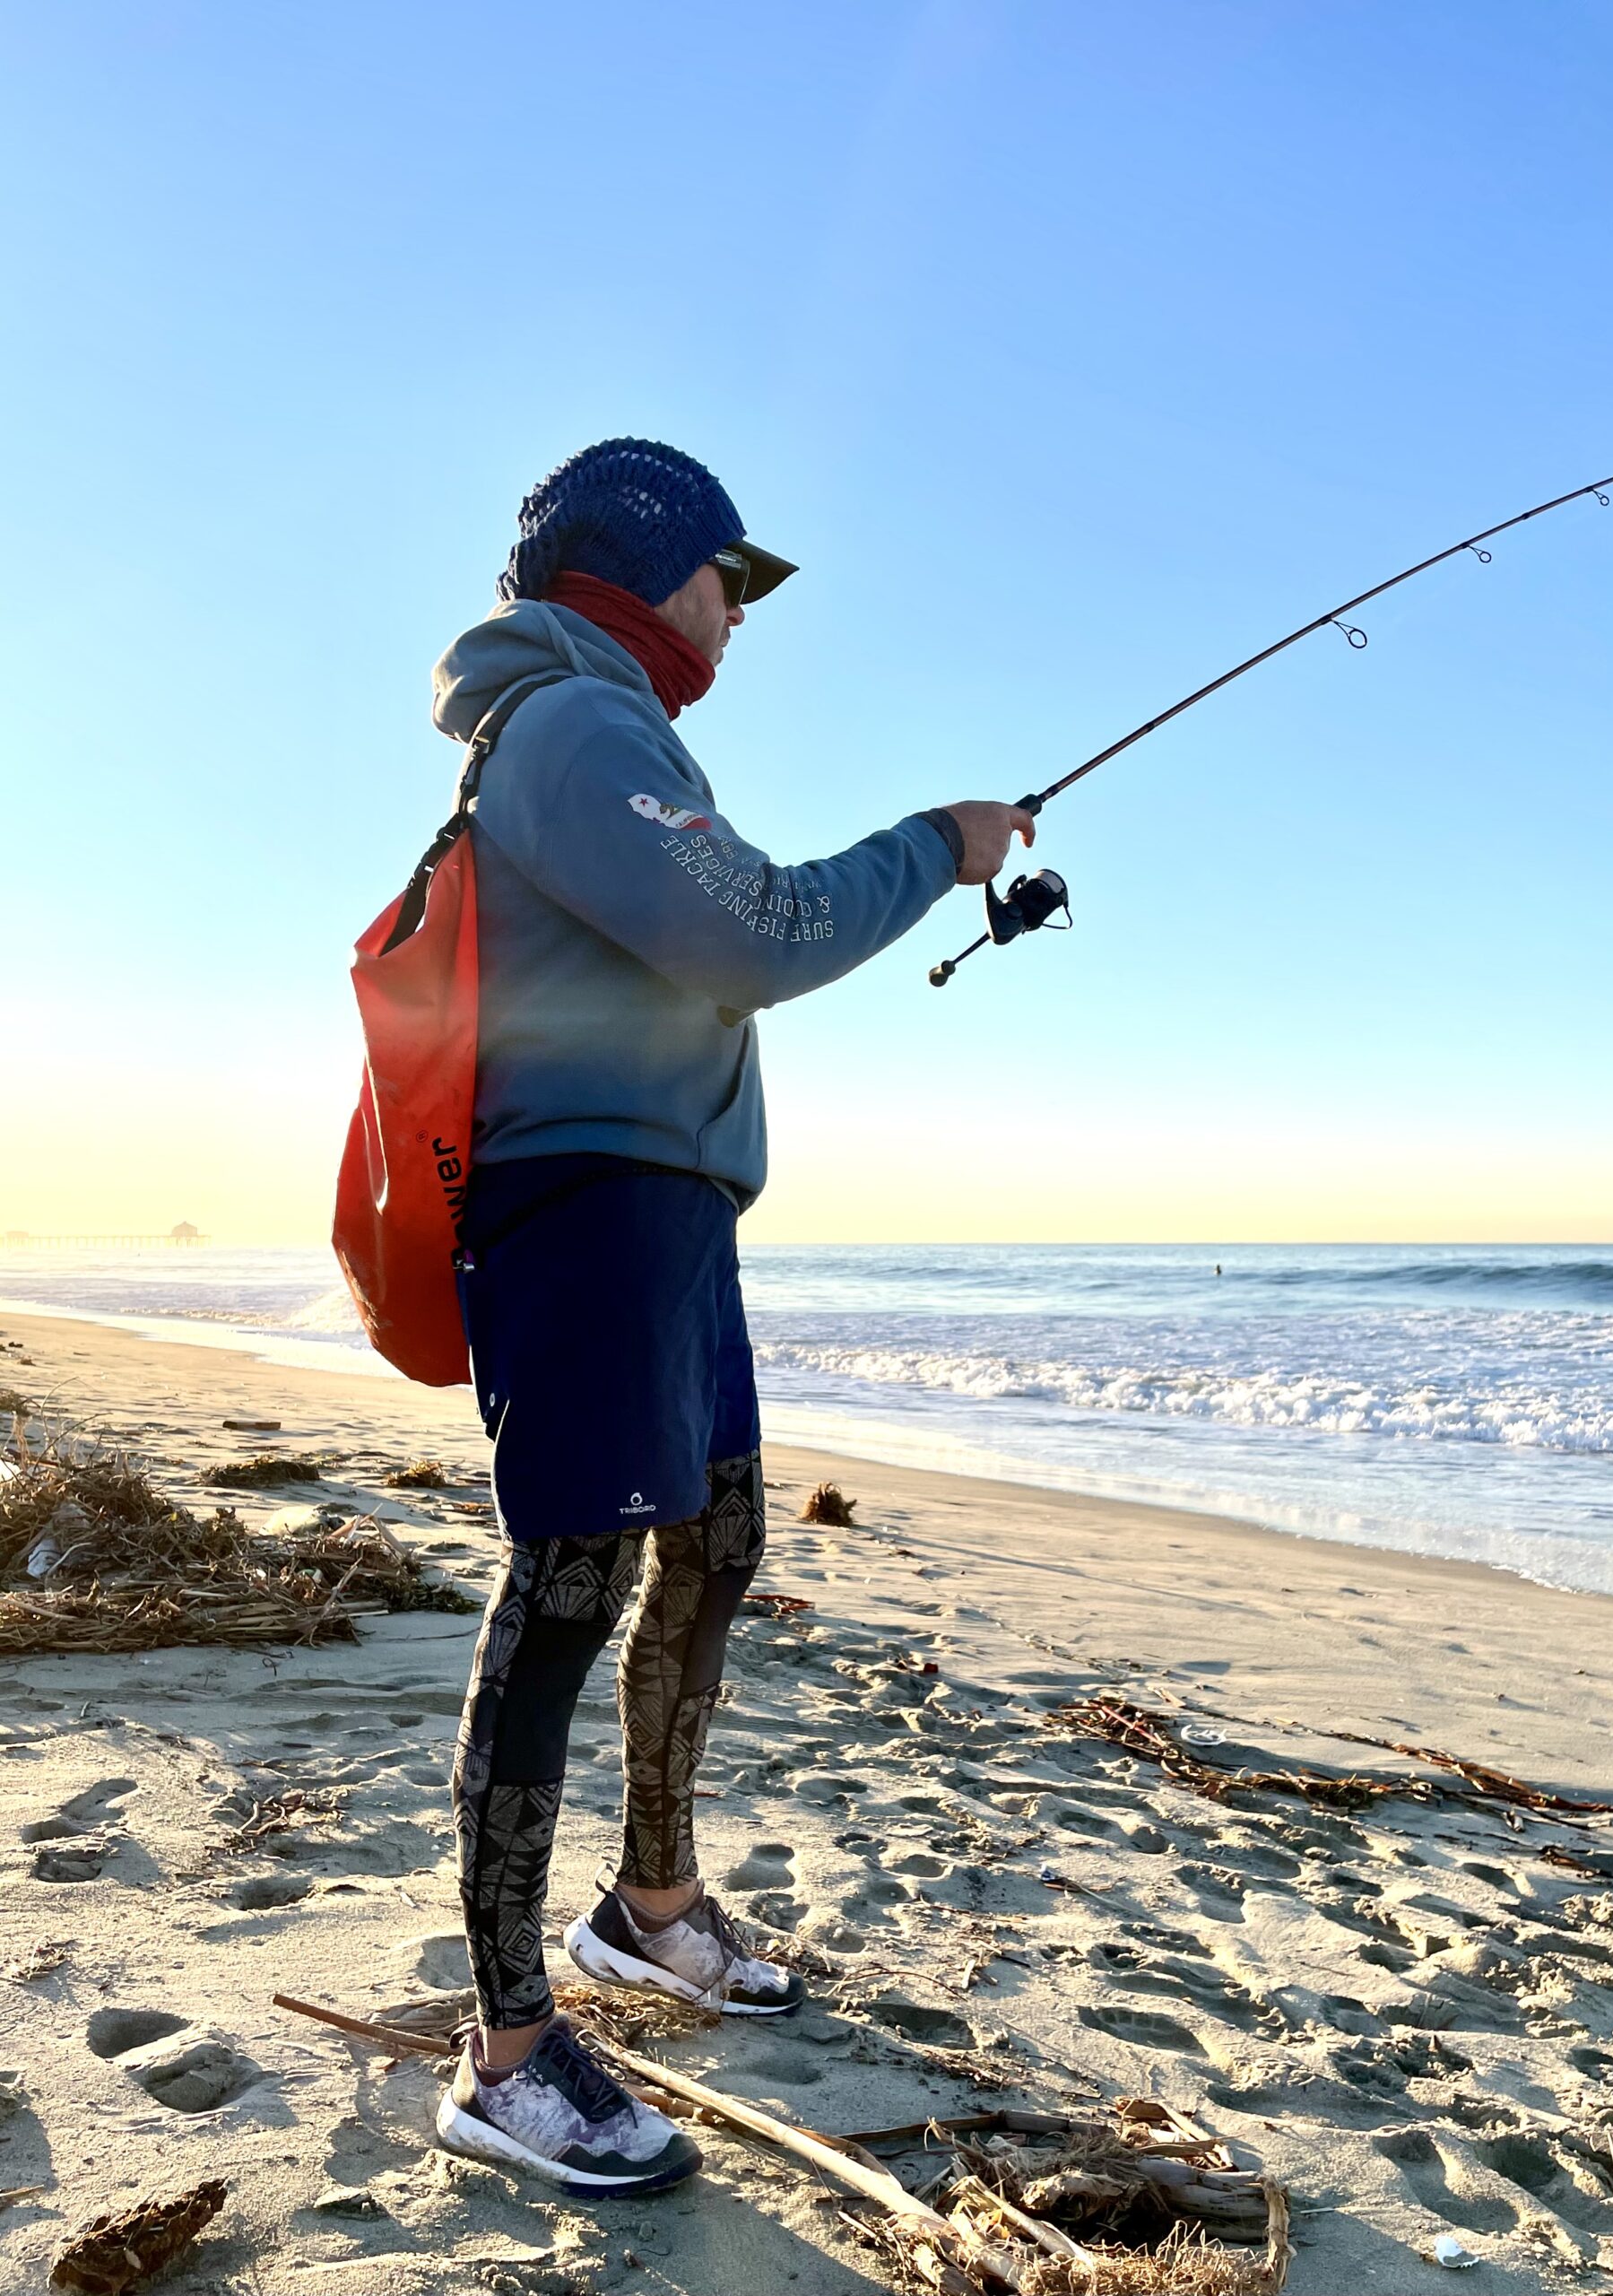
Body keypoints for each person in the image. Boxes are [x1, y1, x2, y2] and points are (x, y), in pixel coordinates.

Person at [429, 439, 1035, 2193]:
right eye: (729, 579)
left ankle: (650, 1902)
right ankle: (508, 2049)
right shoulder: (570, 728)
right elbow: (756, 928)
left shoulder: (619, 725)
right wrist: (939, 842)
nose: (737, 615)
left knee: (720, 1540)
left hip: (674, 1209)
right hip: (587, 1203)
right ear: (641, 560)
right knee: (566, 1586)